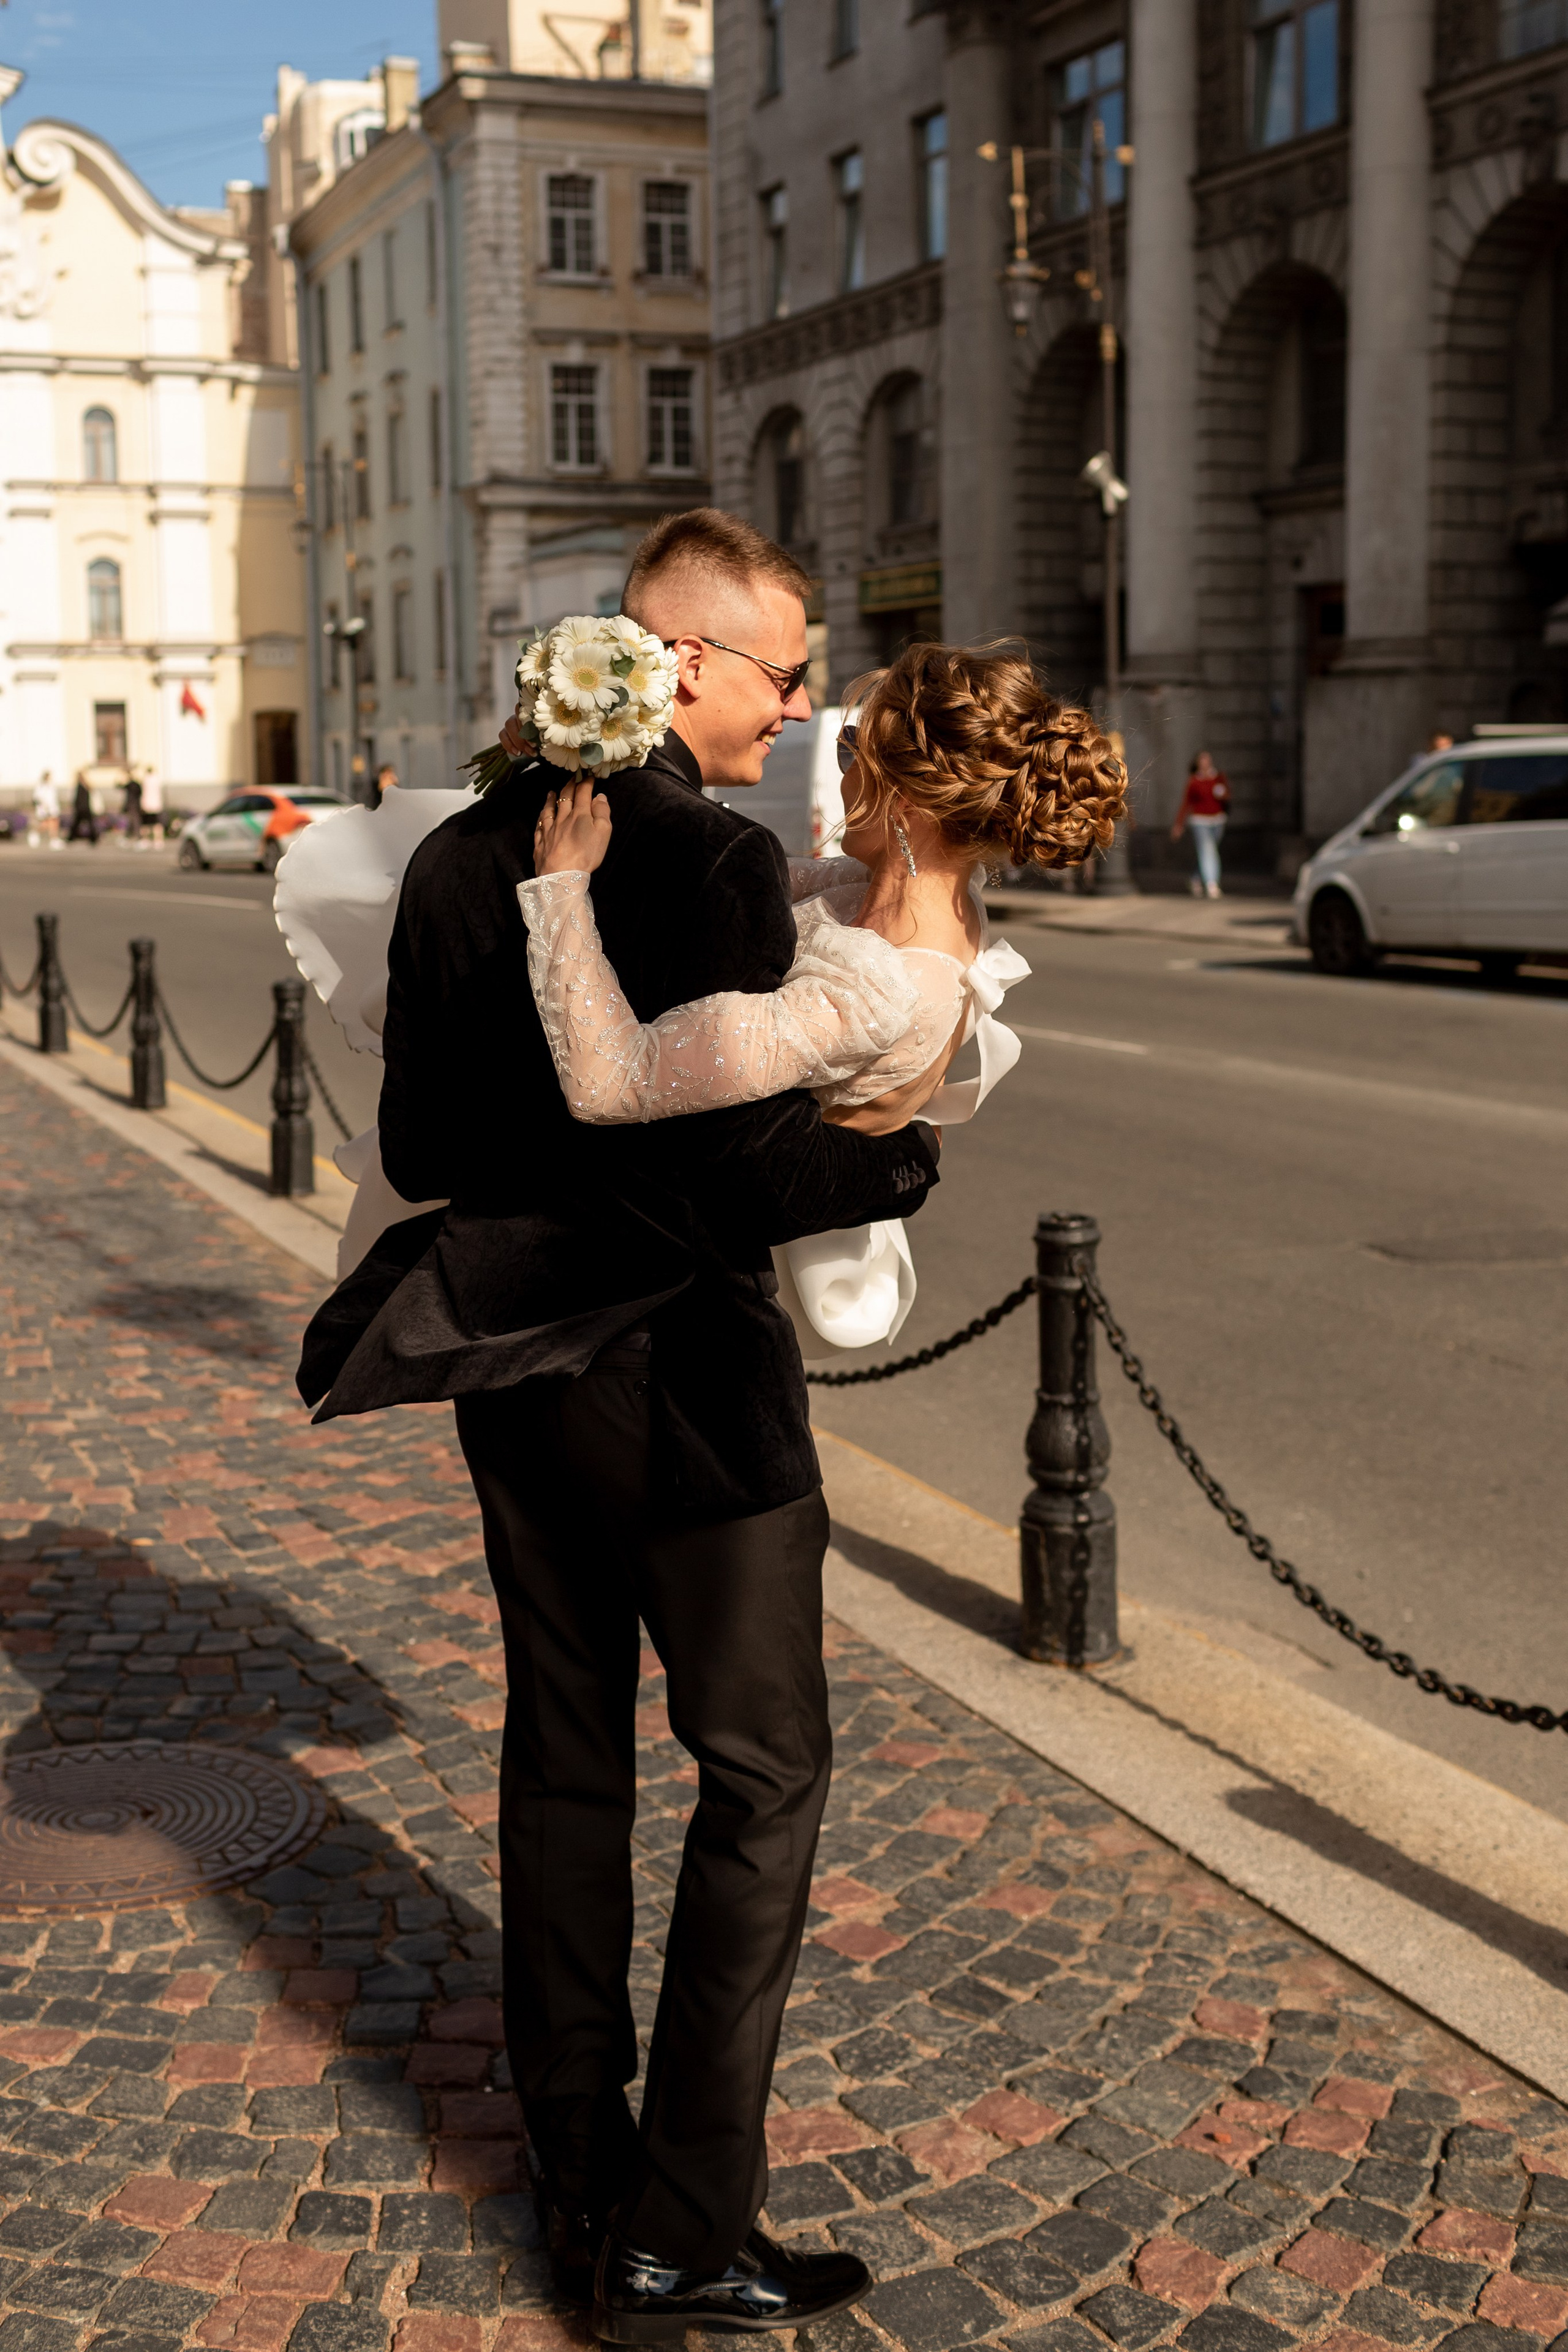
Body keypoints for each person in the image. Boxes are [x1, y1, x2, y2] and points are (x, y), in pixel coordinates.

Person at [296, 511, 951, 2345]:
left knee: (565, 1760)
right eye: (784, 670)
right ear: (680, 660)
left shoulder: (456, 852)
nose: (797, 703)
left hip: (515, 1379)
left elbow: (420, 1147)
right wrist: (904, 1148)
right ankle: (683, 2224)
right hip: (689, 1401)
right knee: (763, 1775)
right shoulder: (715, 859)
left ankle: (579, 2170)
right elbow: (737, 1172)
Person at [518, 644, 1121, 1351]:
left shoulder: (877, 983)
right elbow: (728, 870)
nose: (841, 773)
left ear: (903, 801)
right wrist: (577, 740)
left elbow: (609, 1081)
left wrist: (559, 887)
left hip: (691, 1292)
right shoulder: (888, 896)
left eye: (849, 751)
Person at [1172, 748, 1229, 897]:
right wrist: (1179, 824)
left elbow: (1228, 796)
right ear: (1197, 763)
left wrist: (1222, 794)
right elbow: (1186, 804)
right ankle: (1212, 884)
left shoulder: (1218, 777)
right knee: (1208, 851)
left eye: (1207, 760)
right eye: (1202, 760)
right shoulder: (1194, 781)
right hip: (1200, 821)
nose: (1205, 763)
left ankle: (1195, 878)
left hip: (1217, 820)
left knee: (1208, 852)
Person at [31, 774, 60, 850]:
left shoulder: (52, 787)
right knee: (47, 824)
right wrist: (44, 807)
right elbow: (37, 798)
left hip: (52, 808)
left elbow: (53, 799)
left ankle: (53, 840)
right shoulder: (40, 787)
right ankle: (37, 833)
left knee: (53, 824)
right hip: (44, 809)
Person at [67, 775, 98, 846]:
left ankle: (71, 838)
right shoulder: (86, 787)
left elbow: (77, 799)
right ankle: (93, 838)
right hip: (86, 809)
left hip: (81, 809)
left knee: (77, 824)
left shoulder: (80, 787)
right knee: (88, 824)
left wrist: (75, 807)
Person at [121, 772, 143, 845]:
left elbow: (119, 786)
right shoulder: (137, 785)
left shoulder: (130, 785)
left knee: (134, 821)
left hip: (132, 805)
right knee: (133, 821)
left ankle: (137, 837)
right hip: (136, 805)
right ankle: (129, 836)